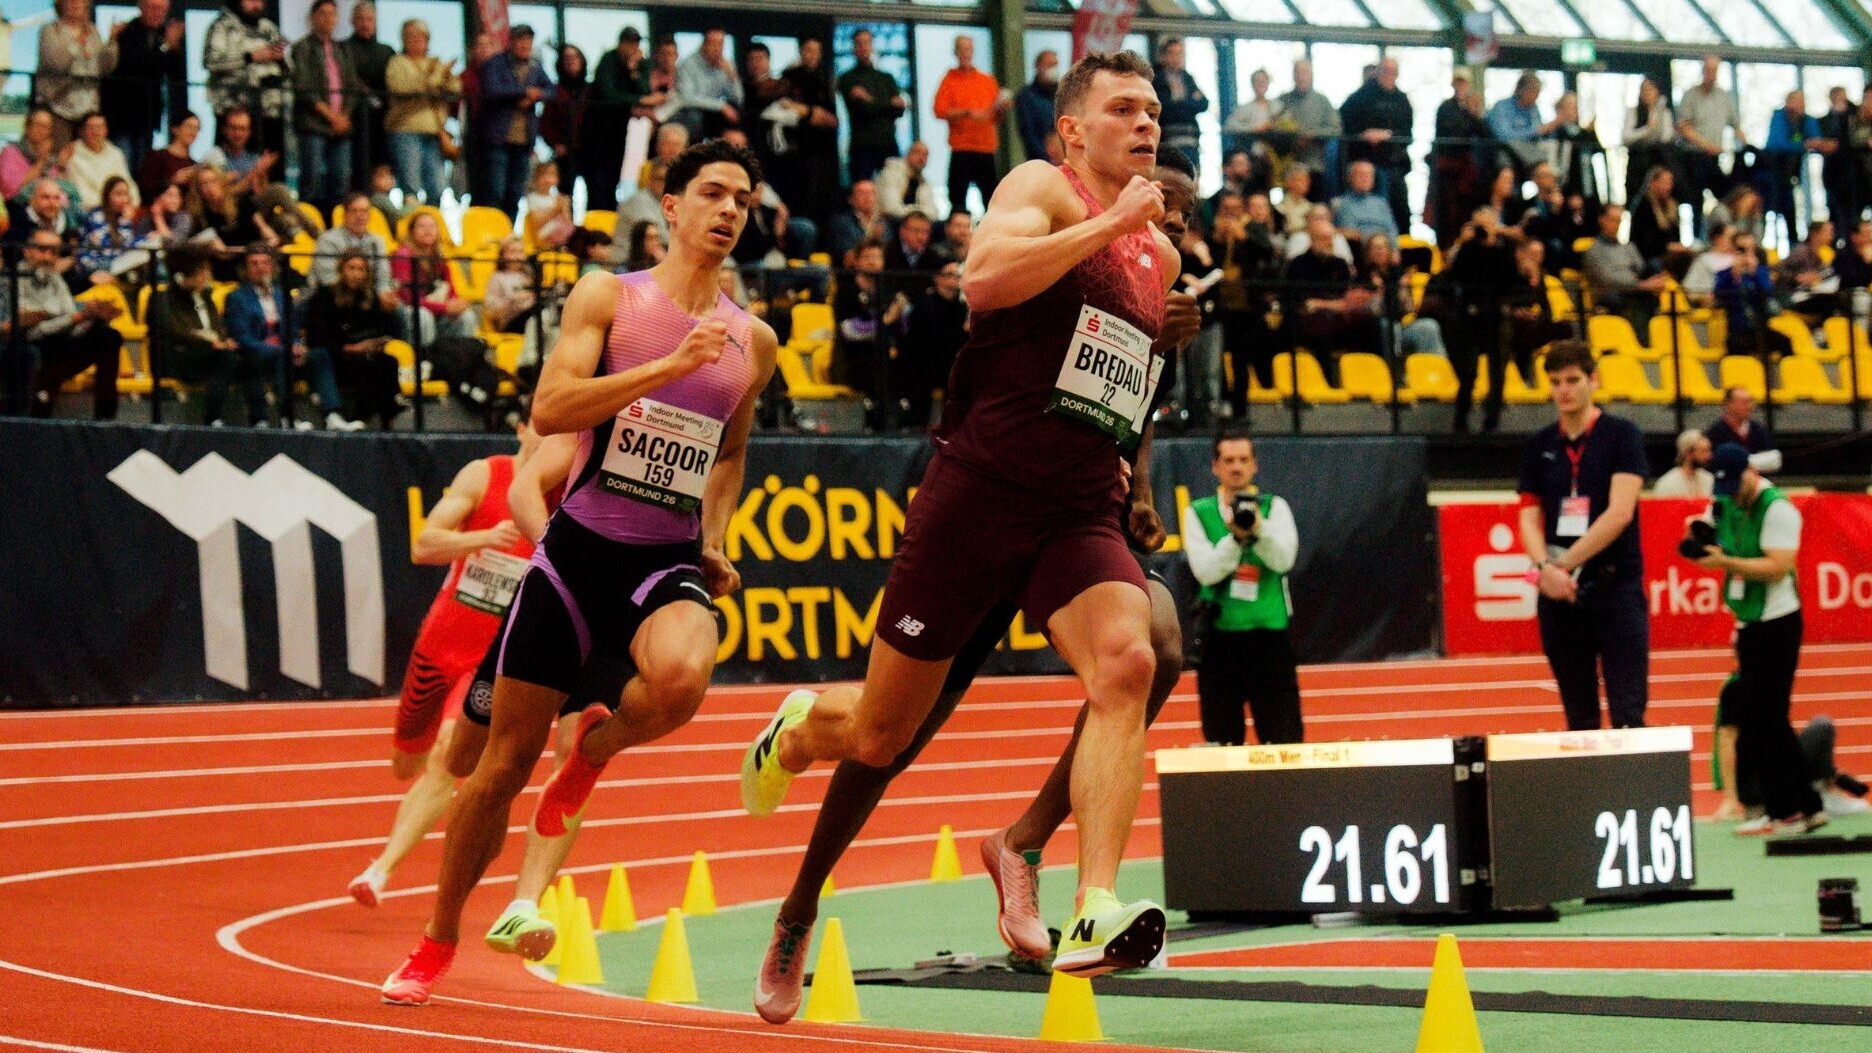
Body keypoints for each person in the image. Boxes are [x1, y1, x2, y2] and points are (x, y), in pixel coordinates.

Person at [739, 49, 1177, 983]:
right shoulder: (1041, 187)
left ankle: (1094, 907)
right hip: (979, 494)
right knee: (879, 735)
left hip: (1075, 508)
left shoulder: (1161, 251)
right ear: (1072, 129)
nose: (1147, 124)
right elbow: (982, 281)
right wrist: (1104, 230)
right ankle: (804, 726)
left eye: (1154, 111)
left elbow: (1124, 385)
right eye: (1125, 109)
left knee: (1130, 659)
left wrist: (1132, 481)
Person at [379, 139, 778, 1006]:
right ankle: (438, 936)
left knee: (681, 676)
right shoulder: (611, 296)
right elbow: (550, 408)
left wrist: (713, 533)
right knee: (498, 766)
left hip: (663, 559)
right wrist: (668, 367)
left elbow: (731, 452)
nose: (729, 210)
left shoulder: (756, 341)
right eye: (712, 193)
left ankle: (592, 754)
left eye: (743, 199)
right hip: (575, 555)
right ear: (668, 207)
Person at [352, 423, 560, 905]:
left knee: (447, 757)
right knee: (407, 764)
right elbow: (424, 545)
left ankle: (380, 871)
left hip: (489, 662)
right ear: (524, 427)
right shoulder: (484, 476)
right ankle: (429, 791)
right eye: (544, 430)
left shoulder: (560, 506)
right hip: (439, 646)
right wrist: (485, 537)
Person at [1685, 444, 1826, 835]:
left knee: (1770, 716)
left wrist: (1725, 563)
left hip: (1778, 622)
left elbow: (1778, 568)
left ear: (1750, 472)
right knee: (1757, 717)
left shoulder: (1777, 509)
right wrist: (1699, 536)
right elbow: (1708, 527)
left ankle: (1802, 806)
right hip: (1749, 621)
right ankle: (1779, 805)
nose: (1732, 495)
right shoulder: (1727, 500)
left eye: (1736, 486)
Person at [1517, 340, 1649, 731]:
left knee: (1628, 713)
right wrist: (1544, 568)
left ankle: (1634, 792)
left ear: (1593, 380)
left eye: (1573, 380)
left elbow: (1620, 512)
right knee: (1580, 718)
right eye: (1555, 382)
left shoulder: (1621, 436)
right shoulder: (1538, 446)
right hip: (1560, 597)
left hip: (1614, 589)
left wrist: (1562, 566)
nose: (1564, 390)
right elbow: (1527, 518)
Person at [1180, 426, 1302, 743]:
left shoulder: (1275, 509)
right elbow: (1205, 572)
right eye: (1229, 459)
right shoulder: (1198, 512)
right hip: (1220, 642)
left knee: (1283, 739)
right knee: (1223, 741)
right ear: (1215, 466)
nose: (1236, 467)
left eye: (1243, 459)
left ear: (1254, 465)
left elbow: (1284, 561)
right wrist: (1235, 538)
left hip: (1270, 637)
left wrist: (1259, 530)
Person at [17, 228, 125, 419]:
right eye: (43, 250)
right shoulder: (17, 279)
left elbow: (72, 322)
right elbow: (33, 332)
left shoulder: (55, 279)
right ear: (27, 251)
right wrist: (77, 318)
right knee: (45, 352)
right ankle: (43, 395)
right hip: (35, 345)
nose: (48, 257)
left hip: (62, 340)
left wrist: (92, 318)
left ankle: (105, 418)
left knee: (109, 337)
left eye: (54, 252)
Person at [225, 243, 334, 428]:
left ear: (273, 267)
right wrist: (281, 349)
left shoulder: (281, 295)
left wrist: (297, 345)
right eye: (254, 264)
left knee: (320, 356)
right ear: (245, 269)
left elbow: (292, 329)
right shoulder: (237, 297)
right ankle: (287, 417)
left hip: (284, 352)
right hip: (257, 355)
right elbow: (242, 336)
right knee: (280, 357)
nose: (260, 268)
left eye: (265, 263)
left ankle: (333, 415)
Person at [286, 0, 360, 214]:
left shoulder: (342, 49)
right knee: (311, 179)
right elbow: (303, 87)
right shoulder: (302, 47)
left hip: (342, 124)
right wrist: (331, 116)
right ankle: (309, 222)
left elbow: (352, 86)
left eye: (332, 14)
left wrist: (344, 116)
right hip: (313, 123)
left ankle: (337, 224)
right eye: (323, 14)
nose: (328, 19)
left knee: (341, 179)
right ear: (313, 17)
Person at [154, 246, 241, 423]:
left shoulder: (206, 297)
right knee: (226, 359)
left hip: (211, 355)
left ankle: (252, 420)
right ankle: (213, 417)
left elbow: (217, 327)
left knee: (240, 357)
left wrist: (224, 341)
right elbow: (174, 332)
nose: (208, 275)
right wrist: (209, 342)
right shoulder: (163, 298)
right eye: (204, 271)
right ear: (188, 273)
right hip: (181, 357)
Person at [101, 0, 186, 174]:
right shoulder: (127, 32)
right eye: (153, 8)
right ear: (141, 7)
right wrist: (165, 47)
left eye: (162, 9)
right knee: (123, 167)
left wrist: (174, 48)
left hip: (148, 115)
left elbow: (175, 75)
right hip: (123, 115)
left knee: (143, 168)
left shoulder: (166, 34)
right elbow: (137, 67)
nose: (158, 13)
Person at [475, 26, 554, 217]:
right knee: (495, 190)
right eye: (521, 40)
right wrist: (524, 92)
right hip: (498, 138)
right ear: (511, 42)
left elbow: (552, 89)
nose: (525, 45)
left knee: (515, 193)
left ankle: (509, 234)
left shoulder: (535, 65)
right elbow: (492, 90)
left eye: (528, 40)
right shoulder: (495, 63)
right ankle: (494, 233)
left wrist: (537, 95)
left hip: (524, 140)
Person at [385, 19, 459, 207]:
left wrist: (441, 78)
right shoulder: (398, 62)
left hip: (434, 133)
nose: (416, 41)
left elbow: (455, 87)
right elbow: (400, 86)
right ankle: (412, 229)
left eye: (420, 37)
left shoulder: (435, 63)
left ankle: (431, 228)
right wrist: (433, 80)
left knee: (437, 187)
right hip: (405, 130)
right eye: (410, 36)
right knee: (411, 187)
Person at [204, 0, 290, 158]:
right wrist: (250, 57)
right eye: (250, 1)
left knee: (270, 165)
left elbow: (289, 69)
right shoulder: (222, 26)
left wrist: (279, 59)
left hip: (269, 110)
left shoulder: (269, 28)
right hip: (233, 109)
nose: (256, 5)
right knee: (231, 164)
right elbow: (211, 61)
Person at [830, 239, 904, 423]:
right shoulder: (846, 292)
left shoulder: (886, 291)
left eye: (877, 257)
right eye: (867, 257)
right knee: (877, 369)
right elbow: (850, 332)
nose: (873, 262)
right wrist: (886, 321)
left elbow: (901, 329)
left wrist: (902, 314)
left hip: (883, 356)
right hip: (852, 360)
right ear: (856, 261)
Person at [934, 35, 1007, 215]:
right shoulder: (949, 80)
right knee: (957, 198)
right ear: (955, 52)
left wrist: (1002, 108)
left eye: (969, 49)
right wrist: (967, 112)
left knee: (991, 200)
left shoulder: (987, 80)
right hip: (962, 147)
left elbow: (995, 116)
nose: (965, 53)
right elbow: (939, 110)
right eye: (962, 49)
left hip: (985, 148)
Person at [1339, 57, 1412, 235]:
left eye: (1392, 72)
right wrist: (1364, 134)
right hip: (1367, 160)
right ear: (1378, 72)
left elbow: (1407, 134)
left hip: (1394, 164)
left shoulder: (1402, 101)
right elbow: (1344, 121)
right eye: (1385, 71)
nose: (1388, 76)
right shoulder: (1361, 96)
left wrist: (1388, 135)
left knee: (1399, 206)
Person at [585, 28, 653, 213]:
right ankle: (597, 219)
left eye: (636, 43)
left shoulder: (641, 64)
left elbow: (645, 90)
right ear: (621, 43)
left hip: (619, 128)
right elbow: (609, 94)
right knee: (598, 182)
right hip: (598, 130)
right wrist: (638, 100)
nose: (633, 47)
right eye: (629, 43)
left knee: (614, 177)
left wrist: (633, 71)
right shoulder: (608, 60)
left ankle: (610, 216)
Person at [1676, 54, 1745, 232]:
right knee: (1696, 200)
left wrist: (1746, 146)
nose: (1711, 74)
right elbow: (1683, 126)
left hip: (1714, 157)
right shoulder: (1690, 95)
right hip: (1693, 156)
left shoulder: (1724, 97)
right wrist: (1705, 144)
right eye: (1708, 70)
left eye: (1714, 71)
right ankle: (1696, 234)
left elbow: (1735, 124)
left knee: (1727, 194)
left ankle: (1723, 232)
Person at [896, 255, 967, 428]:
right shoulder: (924, 305)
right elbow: (931, 341)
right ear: (937, 278)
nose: (955, 279)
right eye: (950, 274)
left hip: (948, 364)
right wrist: (963, 330)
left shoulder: (960, 307)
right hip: (922, 365)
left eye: (958, 275)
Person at [36, 0, 112, 151]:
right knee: (61, 156)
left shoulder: (93, 31)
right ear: (61, 5)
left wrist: (112, 43)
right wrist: (77, 43)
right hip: (59, 107)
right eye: (71, 1)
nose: (76, 4)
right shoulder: (50, 30)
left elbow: (103, 67)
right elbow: (57, 63)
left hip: (89, 109)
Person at [837, 29, 907, 185]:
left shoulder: (886, 78)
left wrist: (870, 99)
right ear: (853, 48)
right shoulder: (848, 78)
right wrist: (889, 103)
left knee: (893, 189)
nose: (863, 47)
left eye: (867, 42)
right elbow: (864, 109)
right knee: (863, 190)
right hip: (862, 147)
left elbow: (899, 110)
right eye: (859, 43)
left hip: (888, 144)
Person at [1581, 204, 1667, 331]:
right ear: (1602, 220)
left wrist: (1646, 283)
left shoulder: (1629, 247)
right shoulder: (1594, 251)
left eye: (1619, 221)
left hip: (1636, 289)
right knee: (1622, 297)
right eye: (1613, 220)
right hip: (1612, 294)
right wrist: (1641, 285)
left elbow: (1640, 268)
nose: (1616, 225)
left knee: (1654, 265)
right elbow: (1607, 279)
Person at [393, 210, 474, 343]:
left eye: (432, 226)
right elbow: (408, 298)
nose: (427, 230)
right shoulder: (403, 255)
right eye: (421, 226)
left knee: (466, 316)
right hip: (409, 311)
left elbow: (450, 289)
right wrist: (444, 308)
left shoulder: (439, 257)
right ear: (411, 231)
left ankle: (462, 359)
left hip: (436, 309)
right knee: (423, 316)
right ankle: (424, 361)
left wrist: (456, 303)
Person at [1430, 74, 1490, 248]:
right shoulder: (1446, 108)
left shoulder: (1470, 110)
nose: (1462, 87)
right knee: (1448, 215)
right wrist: (1468, 114)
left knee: (1465, 213)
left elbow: (1485, 133)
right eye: (1459, 83)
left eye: (1464, 83)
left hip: (1466, 175)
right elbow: (1453, 133)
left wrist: (1473, 114)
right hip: (1448, 173)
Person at [344, 2, 396, 191]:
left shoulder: (387, 51)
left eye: (369, 19)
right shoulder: (343, 49)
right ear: (352, 21)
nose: (365, 24)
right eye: (360, 19)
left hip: (382, 122)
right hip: (352, 120)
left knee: (382, 172)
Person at [1713, 235, 1792, 361]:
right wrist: (1734, 276)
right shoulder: (1725, 274)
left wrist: (1754, 273)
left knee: (1785, 342)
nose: (1747, 253)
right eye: (1742, 249)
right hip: (1738, 331)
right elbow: (1719, 295)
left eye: (1751, 249)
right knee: (1737, 347)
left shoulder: (1760, 272)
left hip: (1760, 328)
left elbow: (1768, 291)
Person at [311, 192, 396, 304]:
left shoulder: (377, 242)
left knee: (399, 313)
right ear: (344, 214)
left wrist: (383, 294)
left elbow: (383, 278)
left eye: (364, 211)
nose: (359, 216)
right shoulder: (327, 240)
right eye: (354, 211)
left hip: (369, 297)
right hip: (332, 297)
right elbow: (328, 279)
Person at [540, 45, 589, 201]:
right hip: (565, 152)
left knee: (597, 194)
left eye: (575, 57)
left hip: (590, 151)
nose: (571, 61)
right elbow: (545, 122)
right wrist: (555, 143)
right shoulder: (555, 91)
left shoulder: (591, 90)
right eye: (566, 58)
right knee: (565, 196)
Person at [1278, 59, 1340, 181]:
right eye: (1298, 73)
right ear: (1293, 76)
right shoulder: (1283, 100)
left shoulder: (1323, 101)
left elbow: (1336, 129)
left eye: (1305, 72)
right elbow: (1274, 126)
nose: (1301, 77)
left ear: (1311, 75)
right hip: (1286, 166)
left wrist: (1313, 134)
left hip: (1314, 166)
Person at [1152, 38, 1207, 176]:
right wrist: (1189, 104)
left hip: (1191, 139)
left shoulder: (1187, 78)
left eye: (1179, 53)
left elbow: (1203, 104)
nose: (1176, 58)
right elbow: (1163, 108)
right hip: (1168, 140)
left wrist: (1179, 104)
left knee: (1192, 177)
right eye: (1172, 53)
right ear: (1163, 56)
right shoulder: (1156, 79)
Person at [676, 28, 742, 140]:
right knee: (695, 117)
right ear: (703, 45)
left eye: (721, 44)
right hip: (692, 109)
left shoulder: (727, 64)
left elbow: (738, 98)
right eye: (713, 43)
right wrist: (721, 106)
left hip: (715, 111)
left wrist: (732, 77)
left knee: (738, 112)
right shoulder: (688, 64)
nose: (717, 48)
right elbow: (687, 98)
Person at [65, 113, 137, 212]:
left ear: (106, 130)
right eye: (91, 127)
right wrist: (112, 205)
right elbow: (81, 194)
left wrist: (132, 202)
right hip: (90, 212)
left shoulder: (116, 153)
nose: (96, 132)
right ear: (82, 131)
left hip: (121, 209)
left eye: (100, 127)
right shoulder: (71, 154)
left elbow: (127, 182)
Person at [1623, 77, 1674, 206]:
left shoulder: (1664, 113)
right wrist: (1647, 129)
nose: (1647, 93)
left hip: (1657, 161)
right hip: (1637, 163)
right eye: (1644, 89)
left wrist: (1656, 112)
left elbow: (1666, 137)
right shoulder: (1633, 112)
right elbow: (1627, 137)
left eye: (1650, 89)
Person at [1705, 385, 1783, 471]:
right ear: (1728, 404)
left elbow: (1773, 459)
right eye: (1744, 402)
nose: (1749, 406)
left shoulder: (1758, 430)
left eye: (1750, 401)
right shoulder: (1715, 433)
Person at [135, 111, 199, 207]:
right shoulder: (157, 157)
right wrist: (173, 180)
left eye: (197, 128)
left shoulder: (193, 163)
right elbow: (145, 188)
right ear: (175, 129)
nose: (193, 132)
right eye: (189, 127)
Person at [1331, 160, 1397, 242]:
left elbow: (1392, 231)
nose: (1365, 179)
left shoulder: (1381, 203)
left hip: (1385, 248)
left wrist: (1394, 249)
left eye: (1369, 175)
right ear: (1350, 177)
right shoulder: (1340, 204)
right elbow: (1352, 234)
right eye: (1361, 175)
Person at [875, 141, 941, 220]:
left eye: (925, 155)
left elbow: (934, 212)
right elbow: (891, 209)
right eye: (917, 152)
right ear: (907, 154)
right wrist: (920, 211)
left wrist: (919, 212)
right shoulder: (891, 173)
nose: (921, 158)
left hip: (915, 224)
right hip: (888, 223)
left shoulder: (924, 183)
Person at [1016, 50, 1060, 164]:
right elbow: (1028, 132)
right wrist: (1046, 157)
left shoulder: (1063, 93)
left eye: (1055, 65)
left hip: (1063, 159)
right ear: (1038, 66)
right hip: (1039, 160)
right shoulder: (1026, 96)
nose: (1053, 69)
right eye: (1049, 65)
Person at [826, 180, 885, 264]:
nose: (868, 197)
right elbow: (849, 260)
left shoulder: (884, 222)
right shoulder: (841, 223)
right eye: (862, 193)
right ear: (851, 199)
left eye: (871, 193)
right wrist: (872, 239)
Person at [1653, 428, 1713, 497]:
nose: (1709, 456)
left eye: (1709, 450)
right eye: (1703, 451)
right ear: (1688, 454)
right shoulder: (1668, 483)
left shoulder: (1709, 479)